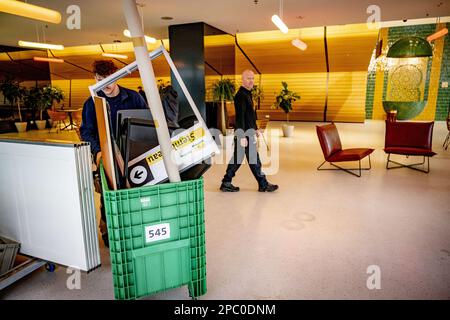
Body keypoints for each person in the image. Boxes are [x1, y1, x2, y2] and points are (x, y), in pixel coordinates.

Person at [80, 60, 147, 247]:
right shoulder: (92, 103)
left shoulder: (134, 97)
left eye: (110, 79)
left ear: (117, 76)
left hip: (133, 155)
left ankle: (134, 229)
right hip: (107, 157)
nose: (106, 85)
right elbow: (86, 131)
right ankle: (109, 233)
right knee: (108, 196)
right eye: (100, 79)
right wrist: (97, 152)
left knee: (135, 192)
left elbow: (147, 124)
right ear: (95, 78)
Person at [220, 70, 278, 193]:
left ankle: (226, 182)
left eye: (252, 78)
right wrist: (242, 137)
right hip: (244, 134)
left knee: (238, 158)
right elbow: (240, 118)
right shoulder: (241, 95)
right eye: (248, 78)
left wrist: (255, 129)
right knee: (254, 159)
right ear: (242, 80)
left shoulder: (247, 94)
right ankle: (263, 184)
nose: (251, 81)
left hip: (248, 132)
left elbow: (248, 116)